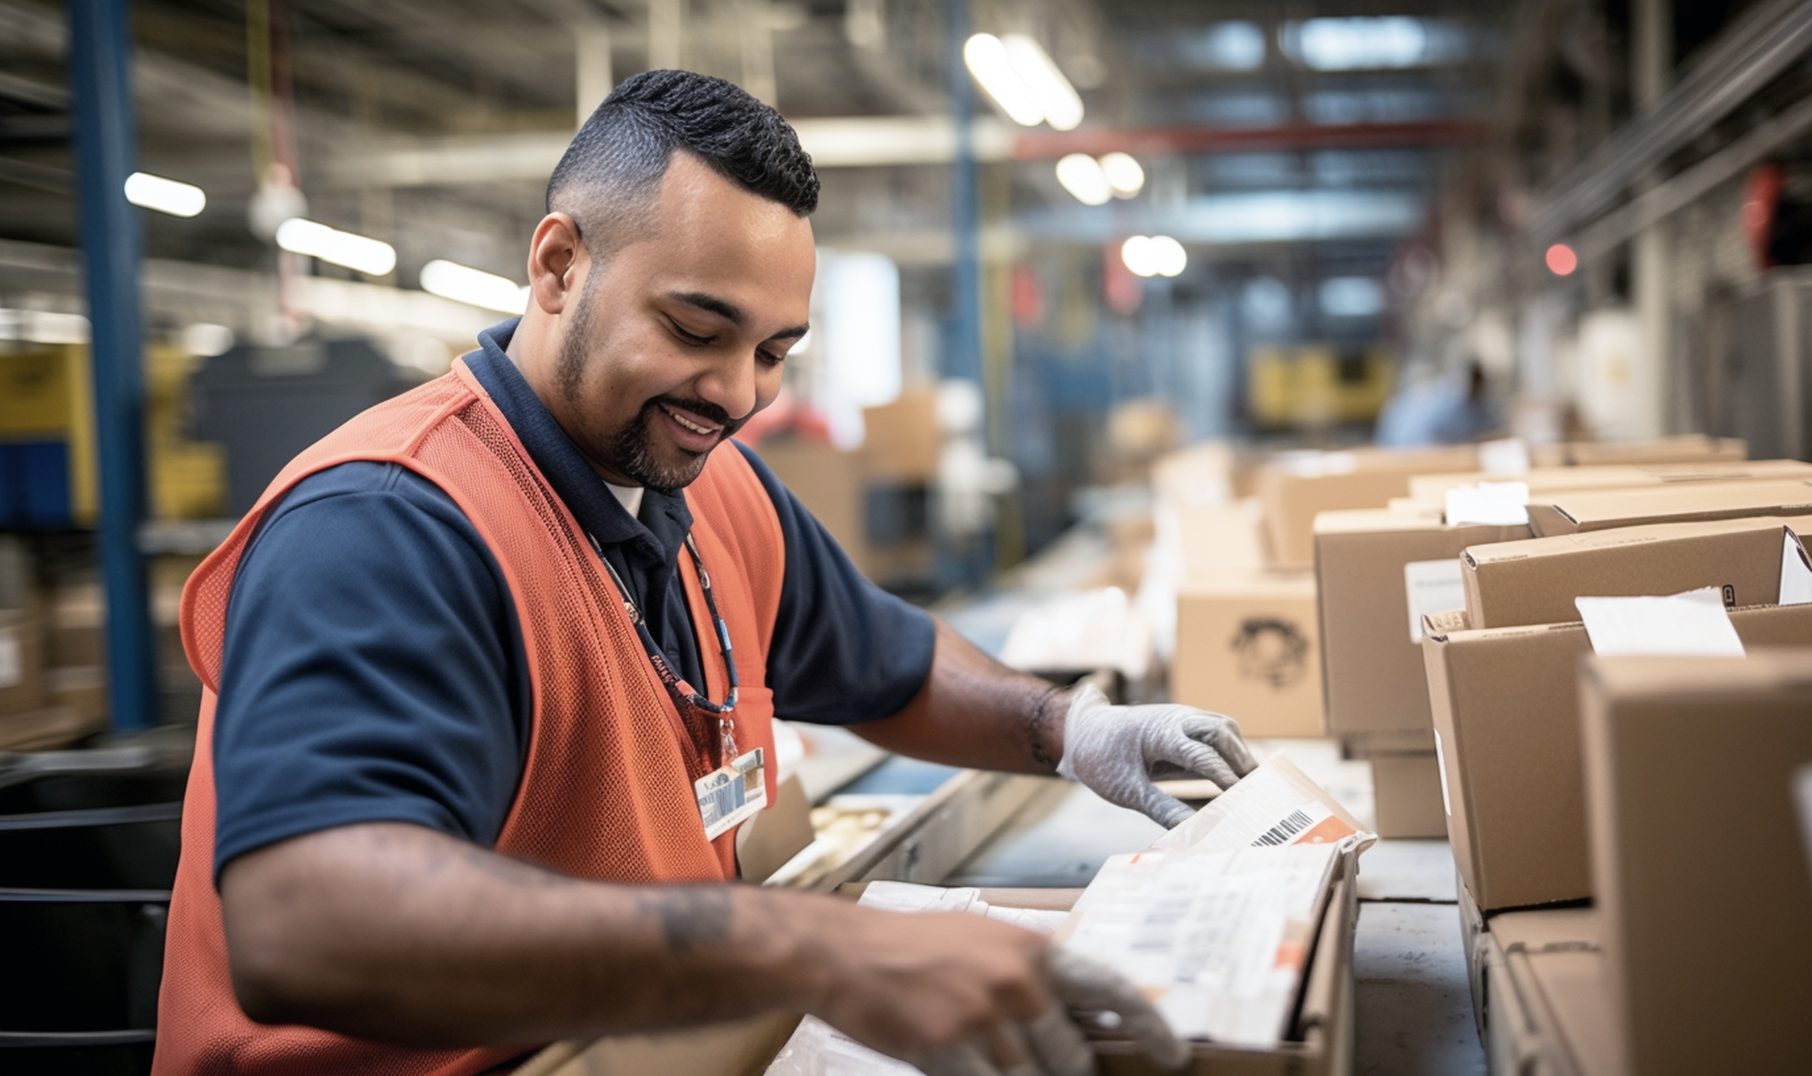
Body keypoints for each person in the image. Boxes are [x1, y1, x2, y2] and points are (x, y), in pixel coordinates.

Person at [153, 70, 1259, 1075]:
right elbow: (304, 922)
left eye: (775, 350)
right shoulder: (390, 523)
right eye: (696, 327)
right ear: (557, 265)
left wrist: (1068, 727)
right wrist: (813, 945)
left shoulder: (707, 483)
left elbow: (888, 663)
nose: (737, 394)